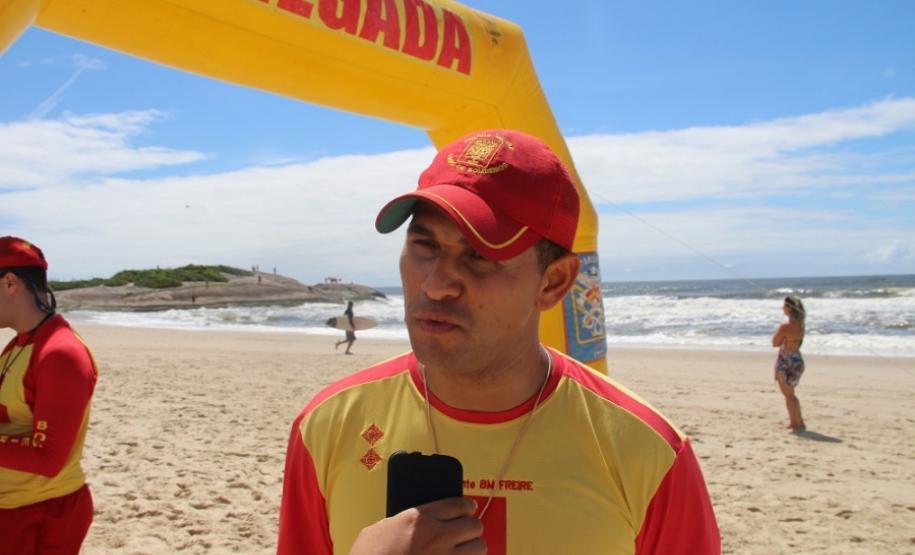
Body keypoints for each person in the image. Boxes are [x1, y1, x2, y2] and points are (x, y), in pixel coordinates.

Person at [277, 130, 720, 554]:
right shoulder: (326, 428)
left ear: (554, 282)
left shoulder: (648, 454)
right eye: (424, 246)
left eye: (480, 256)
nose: (436, 285)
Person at [0, 236, 99, 552]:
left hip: (40, 514)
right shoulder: (18, 345)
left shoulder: (59, 353)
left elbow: (48, 458)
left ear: (10, 283)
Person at [772, 295, 806, 431]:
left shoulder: (786, 326)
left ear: (790, 309)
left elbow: (775, 343)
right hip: (797, 359)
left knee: (788, 394)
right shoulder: (801, 325)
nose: (782, 308)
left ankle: (794, 423)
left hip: (786, 360)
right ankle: (800, 422)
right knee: (791, 393)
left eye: (784, 306)